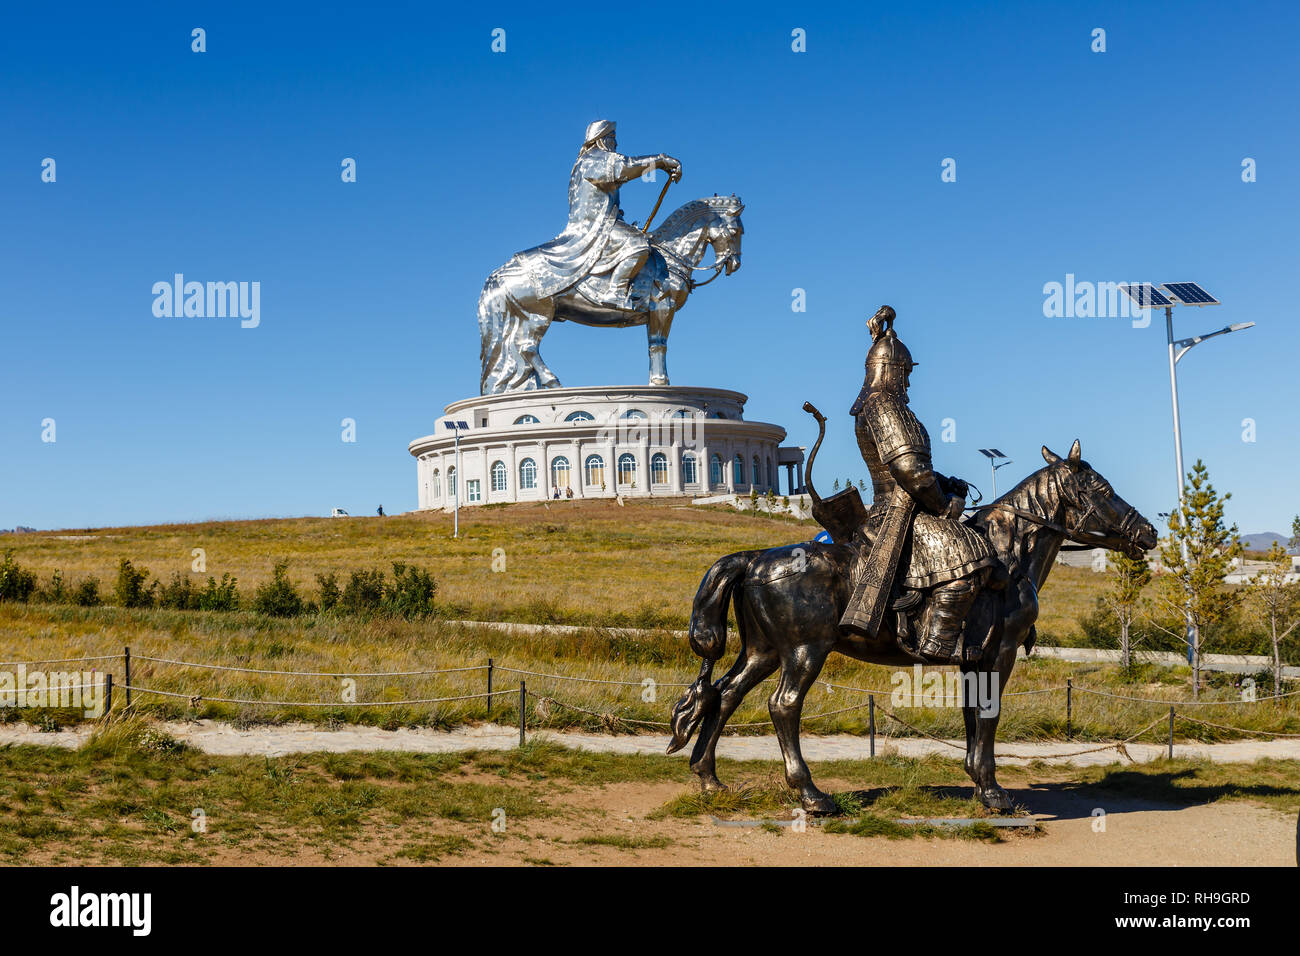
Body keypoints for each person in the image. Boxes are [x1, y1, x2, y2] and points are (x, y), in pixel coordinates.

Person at [842, 306, 998, 662]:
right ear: (891, 370)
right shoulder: (884, 405)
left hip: (902, 503)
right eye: (905, 374)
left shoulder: (876, 403)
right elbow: (909, 470)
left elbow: (914, 468)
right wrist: (944, 503)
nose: (908, 382)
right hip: (898, 511)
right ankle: (940, 642)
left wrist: (946, 481)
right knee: (971, 556)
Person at [528, 120, 682, 311]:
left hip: (602, 222)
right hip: (596, 227)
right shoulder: (595, 159)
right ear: (601, 139)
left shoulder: (587, 162)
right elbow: (626, 167)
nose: (615, 144)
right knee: (638, 245)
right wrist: (660, 161)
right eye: (612, 138)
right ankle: (615, 292)